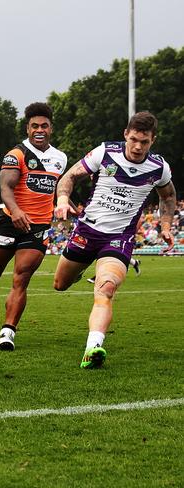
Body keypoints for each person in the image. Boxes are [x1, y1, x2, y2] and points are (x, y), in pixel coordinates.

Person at [53, 111, 176, 369]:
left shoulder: (159, 167)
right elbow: (70, 177)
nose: (138, 147)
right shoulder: (105, 153)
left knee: (106, 288)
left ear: (153, 140)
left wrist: (165, 226)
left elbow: (168, 196)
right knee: (60, 284)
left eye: (144, 142)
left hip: (119, 239)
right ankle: (83, 270)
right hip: (87, 232)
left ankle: (93, 348)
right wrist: (63, 200)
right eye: (134, 140)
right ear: (125, 135)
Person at [0, 102, 67, 351]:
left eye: (44, 125)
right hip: (10, 223)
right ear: (27, 128)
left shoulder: (60, 158)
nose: (39, 130)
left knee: (21, 277)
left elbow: (54, 188)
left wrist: (65, 201)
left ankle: (7, 332)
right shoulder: (16, 155)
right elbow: (6, 188)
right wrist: (17, 211)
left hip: (38, 227)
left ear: (51, 128)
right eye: (34, 126)